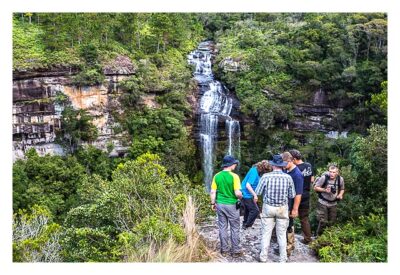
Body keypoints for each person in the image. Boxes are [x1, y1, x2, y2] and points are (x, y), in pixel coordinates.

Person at [255, 154, 295, 263]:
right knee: (281, 234)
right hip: (282, 208)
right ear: (282, 165)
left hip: (268, 208)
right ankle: (283, 258)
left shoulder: (265, 176)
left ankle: (263, 257)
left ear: (272, 165)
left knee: (266, 233)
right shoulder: (288, 177)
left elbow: (257, 192)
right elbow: (292, 195)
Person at [210, 155, 243, 257]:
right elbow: (237, 193)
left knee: (223, 227)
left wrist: (212, 203)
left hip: (220, 204)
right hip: (231, 205)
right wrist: (241, 197)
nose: (236, 165)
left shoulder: (217, 176)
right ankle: (236, 251)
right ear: (231, 165)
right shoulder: (235, 176)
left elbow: (212, 191)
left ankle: (224, 250)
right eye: (235, 164)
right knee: (234, 227)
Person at [289, 149, 314, 244]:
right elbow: (312, 179)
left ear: (294, 159)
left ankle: (289, 239)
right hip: (306, 194)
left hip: (296, 195)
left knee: (290, 216)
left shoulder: (294, 168)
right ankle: (308, 239)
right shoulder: (308, 165)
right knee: (304, 218)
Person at [281, 152, 303, 256]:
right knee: (285, 224)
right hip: (285, 203)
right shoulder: (286, 170)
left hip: (291, 203)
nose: (283, 166)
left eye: (284, 163)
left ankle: (288, 248)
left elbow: (298, 194)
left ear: (290, 161)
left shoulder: (297, 174)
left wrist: (295, 209)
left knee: (289, 224)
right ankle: (290, 244)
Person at [313, 164, 345, 236]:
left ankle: (329, 238)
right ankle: (319, 237)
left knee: (332, 222)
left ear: (337, 172)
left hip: (333, 203)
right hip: (322, 202)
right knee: (323, 221)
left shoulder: (340, 179)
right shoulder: (324, 178)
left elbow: (342, 189)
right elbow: (315, 187)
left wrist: (340, 195)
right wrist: (325, 190)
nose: (331, 174)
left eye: (333, 172)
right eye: (330, 172)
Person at [240, 160, 272, 229]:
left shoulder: (257, 171)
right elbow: (248, 185)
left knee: (248, 210)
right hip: (246, 193)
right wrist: (255, 195)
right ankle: (247, 225)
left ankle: (245, 224)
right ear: (263, 168)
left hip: (248, 193)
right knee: (255, 211)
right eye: (266, 171)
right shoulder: (254, 172)